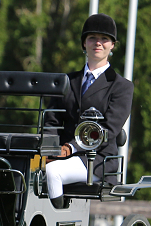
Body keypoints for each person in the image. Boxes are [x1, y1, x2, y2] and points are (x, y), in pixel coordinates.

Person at [43, 13, 134, 208]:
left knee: (53, 172)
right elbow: (51, 120)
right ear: (84, 43)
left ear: (112, 46)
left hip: (97, 160)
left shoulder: (121, 86)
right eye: (92, 38)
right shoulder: (67, 81)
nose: (98, 43)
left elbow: (108, 130)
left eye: (104, 39)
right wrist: (48, 148)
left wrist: (71, 148)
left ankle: (59, 217)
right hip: (61, 155)